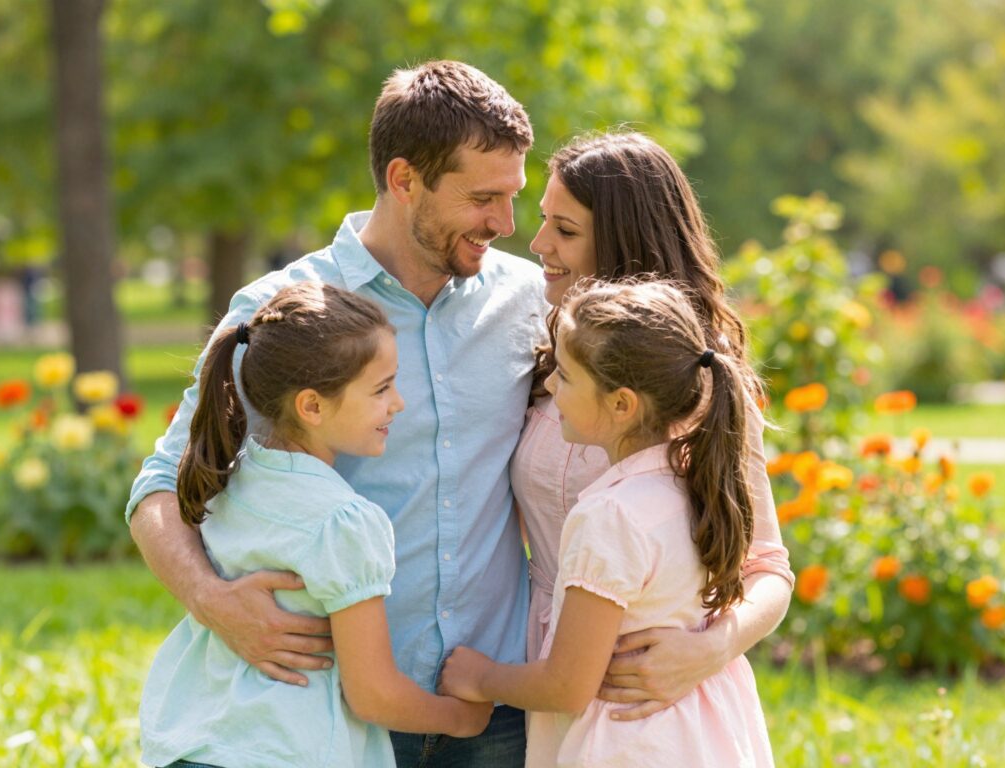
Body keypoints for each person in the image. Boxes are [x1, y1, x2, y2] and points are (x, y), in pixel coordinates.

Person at [127, 61, 544, 766]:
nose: (505, 223)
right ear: (405, 179)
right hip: (335, 718)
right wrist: (210, 599)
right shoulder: (284, 311)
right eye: (482, 198)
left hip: (492, 705)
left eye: (513, 196)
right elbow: (160, 483)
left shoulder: (532, 300)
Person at [140, 282, 493, 768]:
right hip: (288, 750)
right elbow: (372, 695)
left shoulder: (227, 476)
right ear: (312, 406)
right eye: (381, 388)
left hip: (196, 740)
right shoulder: (345, 523)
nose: (399, 404)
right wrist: (460, 718)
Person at [514, 132, 794, 718]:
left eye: (565, 231)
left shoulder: (696, 377)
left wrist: (709, 650)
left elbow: (767, 567)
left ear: (622, 241)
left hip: (650, 694)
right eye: (543, 221)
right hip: (541, 668)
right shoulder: (548, 356)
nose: (539, 244)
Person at [440, 280, 776, 767]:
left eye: (567, 377)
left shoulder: (609, 516)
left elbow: (567, 685)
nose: (550, 387)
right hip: (703, 734)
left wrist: (480, 677)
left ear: (621, 404)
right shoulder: (694, 484)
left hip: (625, 743)